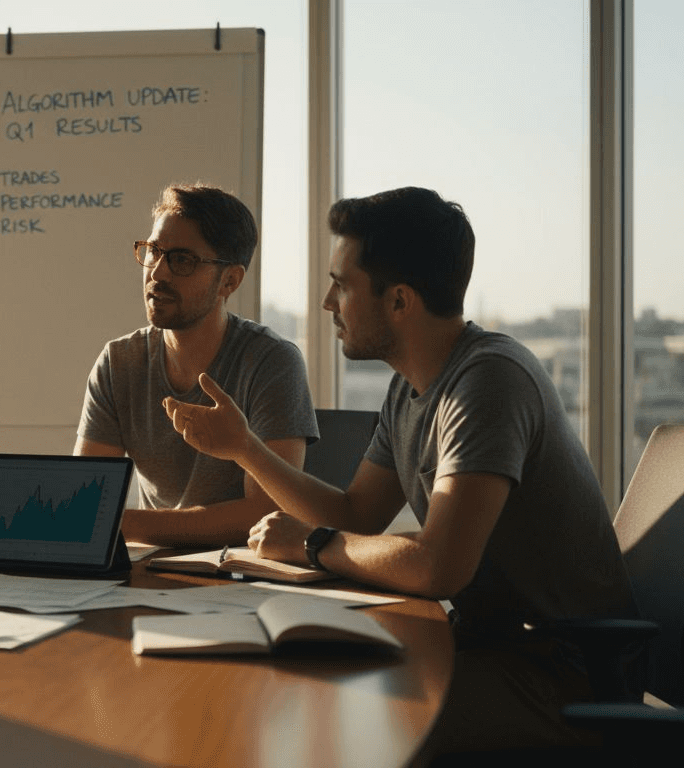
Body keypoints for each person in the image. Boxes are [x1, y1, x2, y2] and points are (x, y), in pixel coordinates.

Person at [163, 186, 638, 757]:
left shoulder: (488, 382)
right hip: (488, 647)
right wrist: (244, 448)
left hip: (559, 671)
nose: (326, 303)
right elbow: (356, 512)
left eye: (342, 284)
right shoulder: (410, 388)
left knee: (334, 720)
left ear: (399, 301)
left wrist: (314, 545)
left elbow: (438, 565)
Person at [74, 183, 318, 547]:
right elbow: (86, 498)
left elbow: (264, 511)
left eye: (182, 260)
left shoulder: (271, 360)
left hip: (241, 574)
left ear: (230, 281)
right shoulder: (119, 361)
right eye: (153, 252)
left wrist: (116, 523)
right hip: (149, 569)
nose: (157, 273)